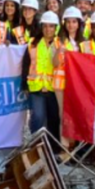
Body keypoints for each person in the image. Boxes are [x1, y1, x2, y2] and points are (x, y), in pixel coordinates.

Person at [20, 11, 62, 142]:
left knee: (54, 118)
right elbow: (26, 63)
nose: (48, 29)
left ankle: (53, 146)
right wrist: (24, 85)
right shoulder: (33, 42)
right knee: (38, 116)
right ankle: (35, 145)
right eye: (45, 26)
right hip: (36, 86)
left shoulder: (60, 44)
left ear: (56, 28)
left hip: (54, 88)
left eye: (51, 26)